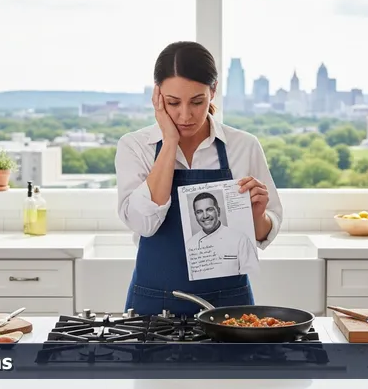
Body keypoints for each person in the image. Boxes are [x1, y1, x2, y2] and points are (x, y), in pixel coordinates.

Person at [115, 41, 283, 317]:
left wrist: (257, 213)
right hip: (155, 302)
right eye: (173, 103)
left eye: (197, 101)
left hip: (229, 302)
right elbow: (144, 224)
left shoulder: (243, 146)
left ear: (213, 91)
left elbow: (263, 234)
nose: (185, 115)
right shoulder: (135, 147)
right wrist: (169, 142)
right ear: (157, 96)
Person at [185, 192, 259, 278]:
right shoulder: (190, 244)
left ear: (218, 211)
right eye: (199, 212)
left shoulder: (240, 239)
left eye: (209, 209)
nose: (205, 216)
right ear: (195, 216)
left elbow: (251, 275)